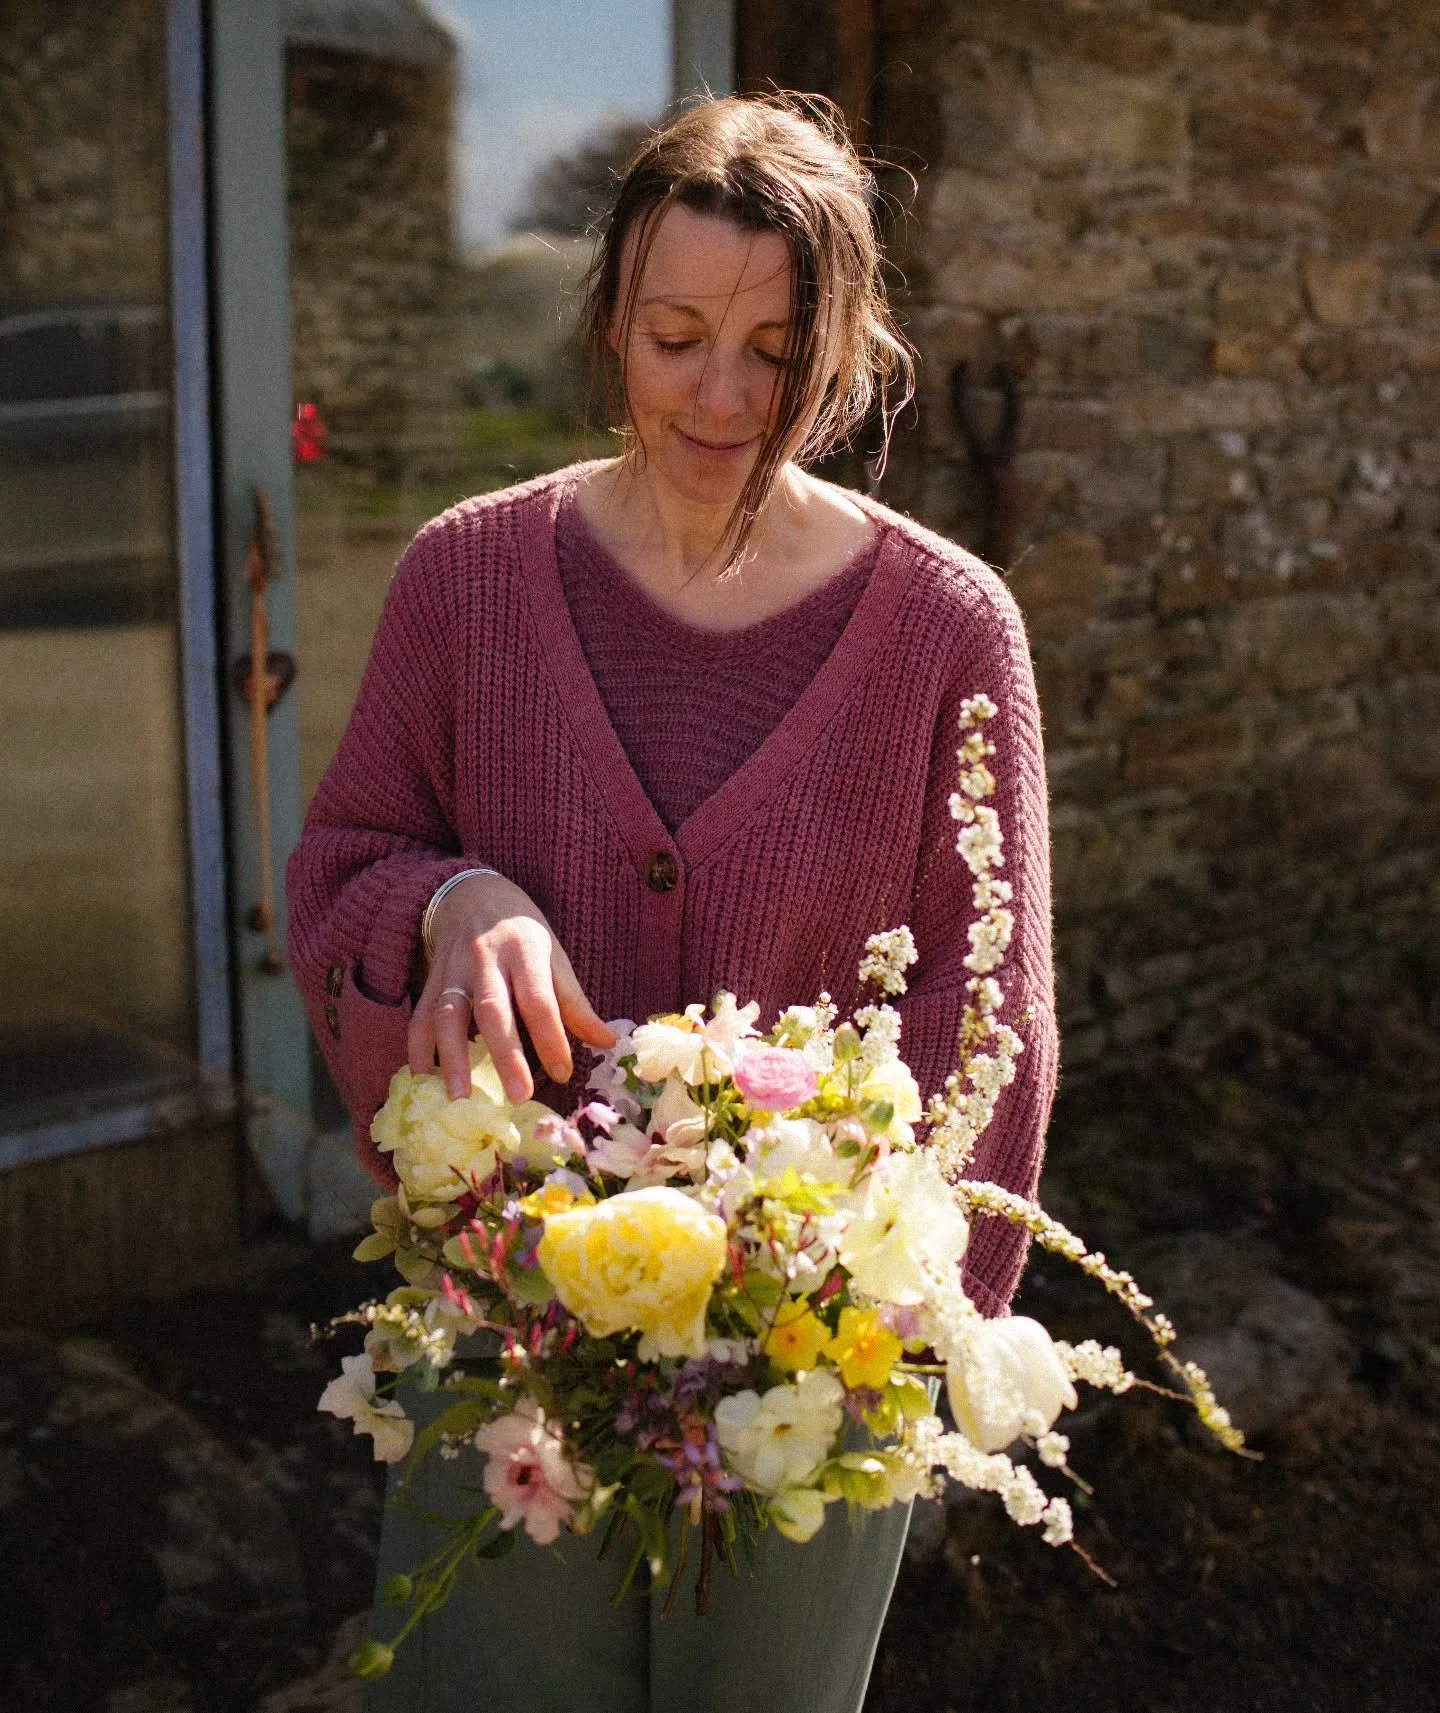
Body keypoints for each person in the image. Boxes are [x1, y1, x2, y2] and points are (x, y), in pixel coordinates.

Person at [287, 92, 1056, 1713]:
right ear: (610, 326)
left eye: (779, 349)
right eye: (677, 334)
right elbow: (343, 866)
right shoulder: (464, 580)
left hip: (800, 1381)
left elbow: (990, 1023)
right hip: (507, 1335)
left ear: (850, 353)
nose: (722, 393)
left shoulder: (948, 632)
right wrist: (454, 896)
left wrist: (844, 1305)